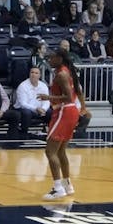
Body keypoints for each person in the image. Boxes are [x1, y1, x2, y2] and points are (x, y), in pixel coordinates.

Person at [38, 48, 84, 200]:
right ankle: (67, 184)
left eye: (52, 58)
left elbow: (69, 97)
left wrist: (48, 96)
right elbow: (77, 91)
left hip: (65, 111)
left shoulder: (61, 74)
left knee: (50, 151)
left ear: (59, 58)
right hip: (70, 112)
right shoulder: (66, 71)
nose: (49, 60)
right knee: (61, 151)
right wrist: (83, 107)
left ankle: (58, 188)